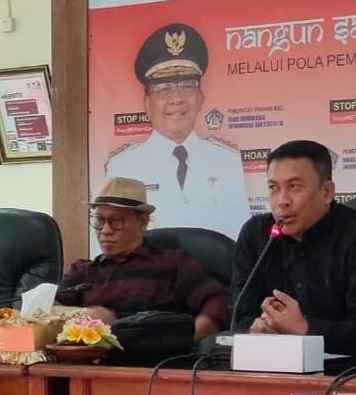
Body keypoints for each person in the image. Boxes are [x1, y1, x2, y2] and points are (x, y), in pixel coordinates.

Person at [229, 140, 356, 359]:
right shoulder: (256, 234)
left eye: (294, 187)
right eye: (274, 188)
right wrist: (255, 327)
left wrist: (305, 328)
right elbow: (238, 314)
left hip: (347, 371)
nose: (282, 201)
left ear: (327, 192)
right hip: (269, 363)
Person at [105, 23, 250, 239]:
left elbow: (241, 239)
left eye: (187, 86)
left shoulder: (227, 160)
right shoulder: (123, 166)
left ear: (200, 98)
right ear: (147, 103)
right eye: (163, 88)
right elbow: (114, 242)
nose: (177, 98)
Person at [56, 177, 228, 342]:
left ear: (143, 222)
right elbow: (51, 309)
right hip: (92, 357)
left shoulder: (174, 264)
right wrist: (86, 315)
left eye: (116, 220)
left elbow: (217, 302)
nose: (105, 230)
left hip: (156, 356)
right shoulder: (83, 271)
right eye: (99, 220)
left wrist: (189, 341)